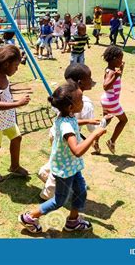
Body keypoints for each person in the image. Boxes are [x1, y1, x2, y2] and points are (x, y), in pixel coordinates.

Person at [19, 81, 106, 233]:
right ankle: (30, 217)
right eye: (81, 101)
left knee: (81, 190)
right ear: (71, 107)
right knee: (59, 200)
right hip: (65, 169)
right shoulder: (65, 125)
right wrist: (94, 134)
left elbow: (73, 122)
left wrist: (87, 121)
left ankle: (72, 221)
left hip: (72, 166)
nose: (83, 102)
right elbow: (77, 151)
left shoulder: (66, 115)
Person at [38, 64, 110, 200]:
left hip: (56, 134)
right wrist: (102, 124)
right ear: (80, 82)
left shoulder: (61, 96)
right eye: (89, 77)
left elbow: (70, 122)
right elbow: (78, 148)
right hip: (68, 139)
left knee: (58, 157)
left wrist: (88, 121)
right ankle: (47, 195)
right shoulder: (86, 103)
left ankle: (44, 171)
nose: (91, 80)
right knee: (62, 168)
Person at [0, 45, 30, 183]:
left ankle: (14, 166)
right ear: (6, 64)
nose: (17, 69)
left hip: (6, 117)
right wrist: (18, 103)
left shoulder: (2, 74)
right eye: (15, 66)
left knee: (16, 138)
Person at [101, 46, 128, 153]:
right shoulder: (112, 73)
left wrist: (121, 69)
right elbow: (105, 86)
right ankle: (112, 141)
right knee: (123, 120)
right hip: (112, 101)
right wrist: (116, 75)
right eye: (120, 59)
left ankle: (95, 139)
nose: (121, 61)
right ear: (114, 59)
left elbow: (118, 77)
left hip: (106, 99)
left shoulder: (110, 70)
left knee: (105, 121)